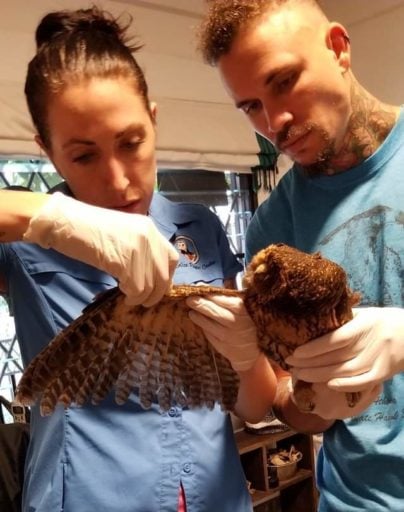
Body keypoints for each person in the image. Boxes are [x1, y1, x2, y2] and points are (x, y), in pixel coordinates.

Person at [0, 6, 277, 512]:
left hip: (214, 497)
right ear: (47, 151)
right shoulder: (24, 243)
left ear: (153, 120)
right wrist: (52, 218)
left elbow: (255, 405)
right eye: (84, 156)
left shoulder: (201, 228)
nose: (120, 179)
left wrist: (245, 355)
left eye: (131, 143)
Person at [196, 1, 404, 511]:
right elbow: (289, 399)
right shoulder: (272, 231)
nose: (275, 122)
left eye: (284, 81)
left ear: (338, 48)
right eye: (250, 106)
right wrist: (311, 400)